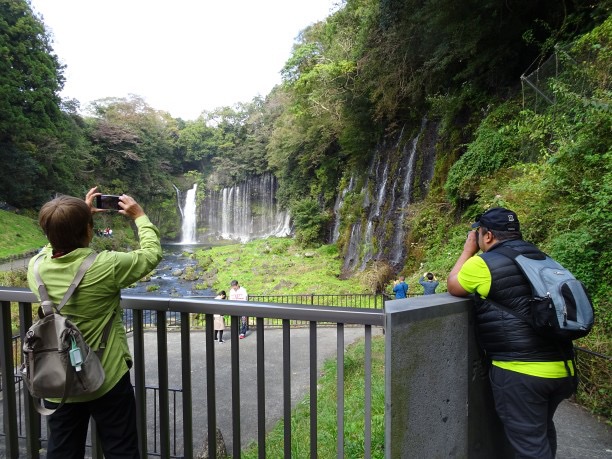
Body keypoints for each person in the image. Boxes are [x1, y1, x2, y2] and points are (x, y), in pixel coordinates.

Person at [27, 186, 162, 458]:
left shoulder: (36, 269)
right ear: (89, 231)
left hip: (58, 380)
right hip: (106, 377)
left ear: (47, 233)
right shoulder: (106, 266)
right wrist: (139, 217)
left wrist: (72, 218)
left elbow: (50, 247)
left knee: (62, 450)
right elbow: (151, 254)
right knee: (120, 448)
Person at [447, 207, 575, 458]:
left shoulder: (483, 263)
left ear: (488, 236)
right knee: (541, 433)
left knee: (529, 446)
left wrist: (467, 251)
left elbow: (454, 284)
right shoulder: (542, 258)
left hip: (522, 372)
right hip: (562, 367)